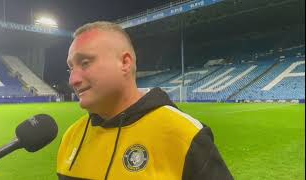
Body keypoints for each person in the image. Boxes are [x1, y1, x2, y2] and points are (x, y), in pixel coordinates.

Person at [57, 21, 233, 180]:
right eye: (70, 68)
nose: (73, 80)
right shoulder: (72, 136)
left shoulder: (185, 135)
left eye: (85, 62)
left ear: (125, 63)